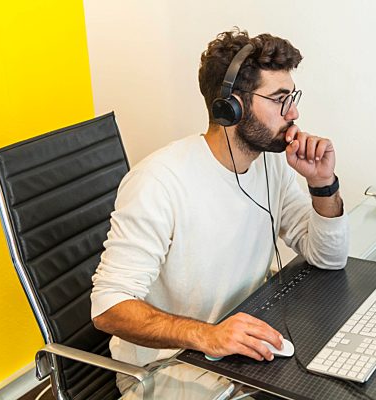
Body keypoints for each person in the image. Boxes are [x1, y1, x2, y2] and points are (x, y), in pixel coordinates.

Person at [91, 28, 349, 396]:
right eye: (280, 99)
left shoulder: (270, 165)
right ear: (232, 107)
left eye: (292, 97)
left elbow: (328, 258)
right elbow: (108, 307)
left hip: (242, 343)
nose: (294, 113)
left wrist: (323, 185)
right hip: (170, 367)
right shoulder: (158, 182)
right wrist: (207, 334)